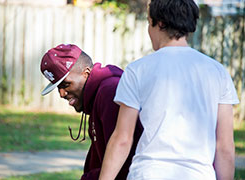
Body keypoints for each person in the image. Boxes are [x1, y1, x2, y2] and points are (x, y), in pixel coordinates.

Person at [99, 0, 239, 180]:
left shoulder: (137, 70)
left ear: (160, 23)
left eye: (149, 23)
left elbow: (122, 139)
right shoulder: (218, 72)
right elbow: (225, 146)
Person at [40, 44, 143, 179]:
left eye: (65, 84)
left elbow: (124, 159)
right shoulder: (96, 97)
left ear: (86, 73)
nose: (61, 94)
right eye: (58, 87)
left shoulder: (109, 92)